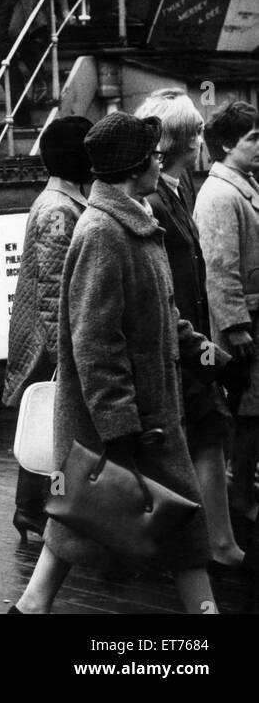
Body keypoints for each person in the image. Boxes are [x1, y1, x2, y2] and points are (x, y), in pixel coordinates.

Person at [12, 112, 219, 615]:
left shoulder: (131, 220)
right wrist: (120, 426)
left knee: (84, 515)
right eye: (151, 155)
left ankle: (31, 606)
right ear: (132, 166)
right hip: (132, 421)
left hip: (145, 414)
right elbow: (95, 340)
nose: (159, 160)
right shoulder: (104, 231)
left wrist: (206, 352)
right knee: (170, 522)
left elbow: (160, 311)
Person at [137, 91, 249, 567]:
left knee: (207, 431)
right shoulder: (156, 198)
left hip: (191, 338)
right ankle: (204, 543)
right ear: (183, 140)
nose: (203, 140)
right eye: (198, 132)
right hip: (177, 342)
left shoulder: (179, 190)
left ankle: (214, 540)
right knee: (198, 434)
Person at [2, 115, 92, 542]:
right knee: (50, 420)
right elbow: (55, 286)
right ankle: (36, 509)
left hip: (43, 334)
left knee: (46, 419)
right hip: (49, 338)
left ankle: (30, 509)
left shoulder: (61, 199)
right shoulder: (58, 208)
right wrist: (63, 352)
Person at [194, 101, 259, 529]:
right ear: (225, 145)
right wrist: (236, 327)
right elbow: (220, 267)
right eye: (253, 138)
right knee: (246, 413)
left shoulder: (244, 184)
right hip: (244, 326)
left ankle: (242, 491)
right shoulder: (220, 194)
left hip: (252, 319)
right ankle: (238, 499)